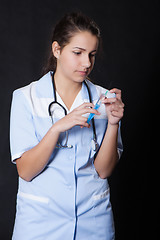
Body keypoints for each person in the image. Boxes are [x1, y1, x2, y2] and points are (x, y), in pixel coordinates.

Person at [10, 12, 124, 240]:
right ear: (57, 50)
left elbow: (104, 170)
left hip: (93, 220)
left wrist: (113, 124)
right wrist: (57, 128)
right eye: (78, 53)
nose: (87, 63)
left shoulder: (103, 99)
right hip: (40, 222)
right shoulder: (26, 97)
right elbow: (26, 171)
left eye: (91, 55)